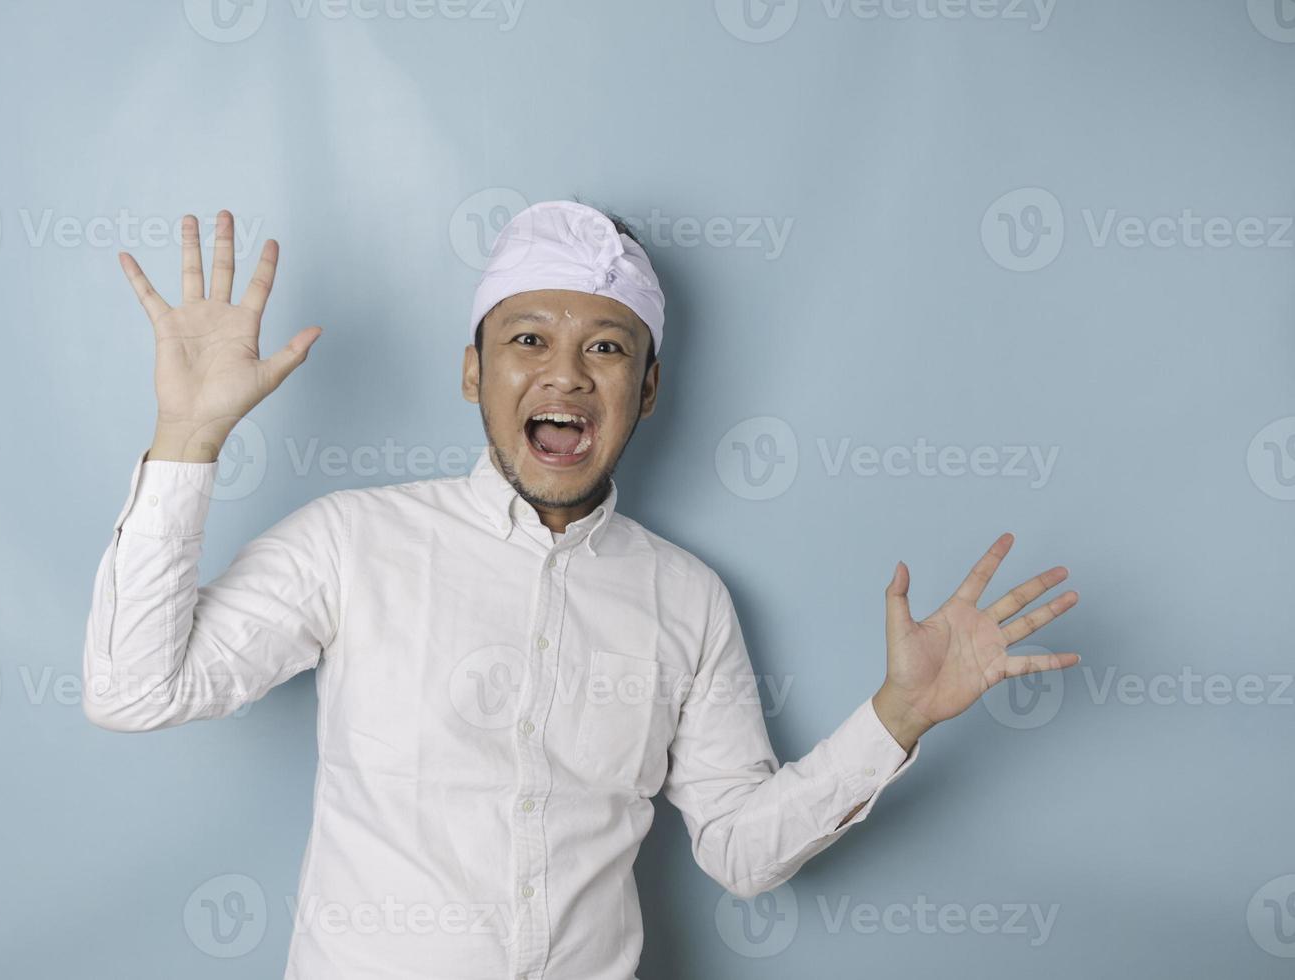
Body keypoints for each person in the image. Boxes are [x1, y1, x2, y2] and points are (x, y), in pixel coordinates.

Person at [82, 200, 1081, 980]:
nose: (565, 373)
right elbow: (134, 690)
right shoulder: (354, 540)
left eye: (606, 346)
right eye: (527, 340)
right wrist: (190, 436)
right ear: (473, 373)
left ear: (646, 389)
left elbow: (738, 847)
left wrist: (897, 716)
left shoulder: (687, 598)